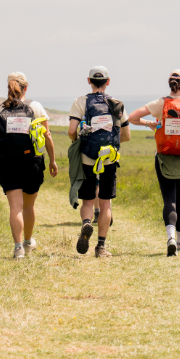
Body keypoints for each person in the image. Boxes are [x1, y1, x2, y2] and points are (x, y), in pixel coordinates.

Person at [128, 69, 180, 257]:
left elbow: (131, 118)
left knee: (169, 199)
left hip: (163, 157)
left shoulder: (160, 104)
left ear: (170, 84)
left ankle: (169, 238)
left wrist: (150, 124)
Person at [0, 72, 58, 259]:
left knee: (15, 207)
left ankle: (18, 248)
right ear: (25, 88)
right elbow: (47, 135)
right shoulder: (35, 106)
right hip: (32, 162)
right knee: (29, 206)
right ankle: (28, 243)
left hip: (8, 162)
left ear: (8, 87)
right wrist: (52, 161)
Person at [68, 66, 131, 258]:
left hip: (88, 157)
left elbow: (71, 131)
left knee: (88, 200)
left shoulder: (80, 102)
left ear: (89, 81)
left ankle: (87, 223)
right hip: (109, 158)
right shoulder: (117, 103)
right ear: (108, 81)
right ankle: (101, 247)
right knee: (105, 204)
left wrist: (78, 141)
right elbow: (126, 135)